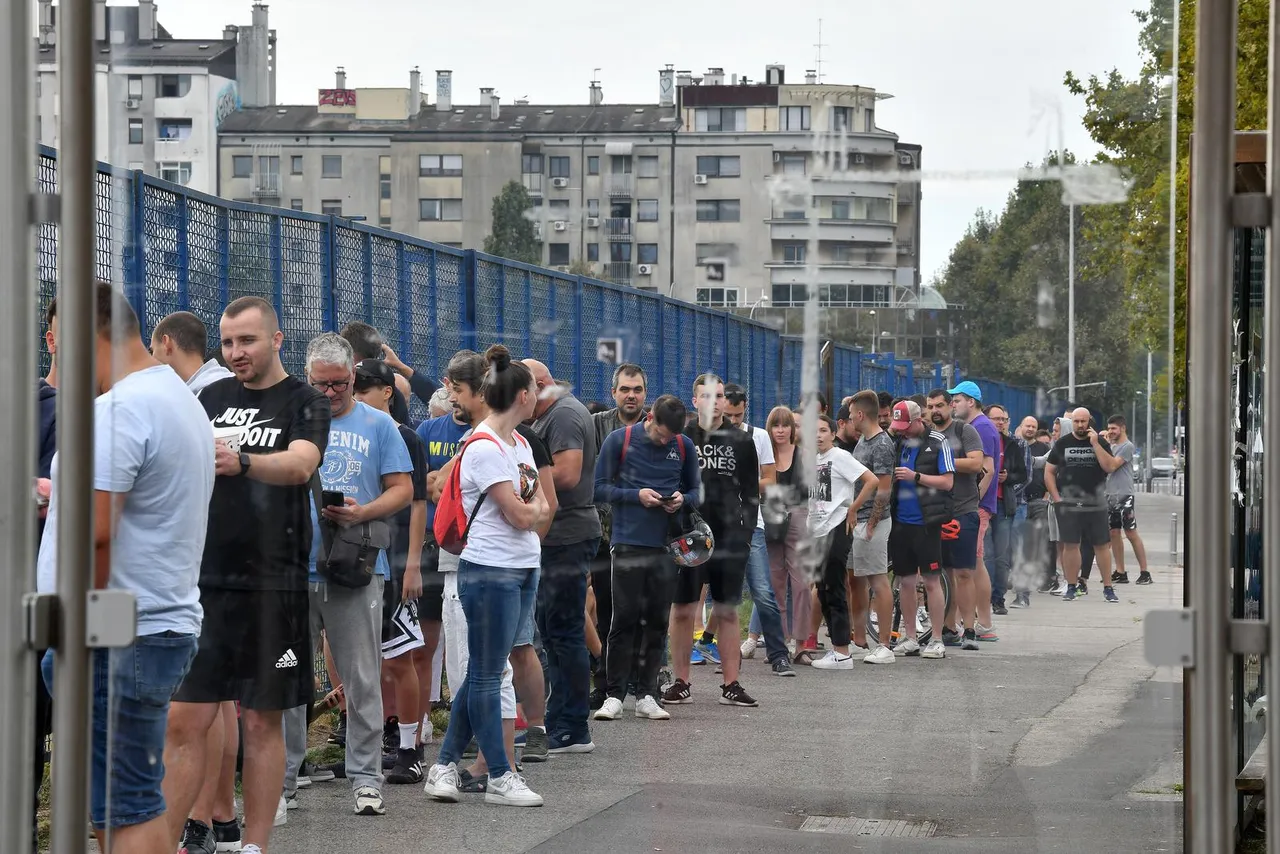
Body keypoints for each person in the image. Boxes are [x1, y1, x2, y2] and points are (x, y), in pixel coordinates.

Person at [39, 283, 215, 854]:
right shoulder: (175, 396)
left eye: (60, 348)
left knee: (126, 810)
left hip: (117, 635)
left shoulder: (121, 409)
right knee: (121, 805)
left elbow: (95, 533)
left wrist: (74, 636)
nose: (57, 365)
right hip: (150, 625)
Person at [165, 296, 330, 854]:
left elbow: (302, 463)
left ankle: (254, 845)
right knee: (187, 717)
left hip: (274, 587)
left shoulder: (304, 401)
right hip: (205, 583)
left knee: (262, 721)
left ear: (277, 340)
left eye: (248, 341)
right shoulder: (208, 397)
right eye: (228, 342)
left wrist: (241, 461)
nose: (236, 353)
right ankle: (182, 834)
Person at [424, 346, 551, 807]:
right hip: (490, 569)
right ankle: (499, 773)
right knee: (486, 673)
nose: (539, 397)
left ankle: (443, 765)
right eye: (535, 390)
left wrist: (530, 510)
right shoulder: (483, 446)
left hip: (521, 567)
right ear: (521, 395)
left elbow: (540, 510)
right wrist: (529, 510)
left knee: (485, 670)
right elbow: (523, 514)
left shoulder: (519, 444)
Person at [592, 395, 702, 721]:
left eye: (671, 437)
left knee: (656, 620)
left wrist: (682, 498)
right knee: (622, 618)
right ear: (650, 417)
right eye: (661, 434)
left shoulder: (683, 446)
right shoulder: (619, 440)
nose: (665, 440)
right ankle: (614, 694)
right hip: (627, 542)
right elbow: (598, 488)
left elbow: (697, 491)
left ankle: (648, 693)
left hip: (667, 546)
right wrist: (636, 496)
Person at [351, 358, 432, 784]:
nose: (358, 394)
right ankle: (381, 736)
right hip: (353, 560)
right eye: (355, 387)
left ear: (387, 391)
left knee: (400, 658)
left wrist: (413, 563)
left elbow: (418, 503)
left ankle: (411, 747)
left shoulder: (405, 437)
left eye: (366, 387)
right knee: (368, 661)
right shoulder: (342, 432)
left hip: (394, 558)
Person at [664, 376, 762, 707]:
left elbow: (751, 493)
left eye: (720, 396)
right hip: (688, 537)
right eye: (708, 396)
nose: (716, 401)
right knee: (682, 610)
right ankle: (680, 681)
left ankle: (731, 684)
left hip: (729, 537)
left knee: (727, 610)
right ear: (695, 401)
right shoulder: (681, 439)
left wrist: (746, 535)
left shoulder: (741, 441)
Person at [524, 359, 601, 755]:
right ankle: (559, 721)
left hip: (567, 535)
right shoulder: (555, 412)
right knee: (554, 633)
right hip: (556, 537)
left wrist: (520, 482)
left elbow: (567, 475)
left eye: (524, 392)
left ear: (539, 386)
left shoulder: (565, 414)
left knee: (565, 631)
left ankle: (572, 728)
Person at [589, 363, 649, 708]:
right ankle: (607, 683)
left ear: (645, 393)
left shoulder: (655, 428)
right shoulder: (596, 425)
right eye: (625, 389)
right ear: (613, 393)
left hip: (643, 535)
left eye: (637, 389)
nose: (631, 395)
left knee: (643, 611)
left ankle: (645, 682)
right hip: (601, 533)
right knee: (607, 613)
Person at [723, 383, 794, 677]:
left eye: (738, 415)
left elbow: (770, 478)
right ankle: (717, 652)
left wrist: (739, 484)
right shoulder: (707, 437)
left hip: (751, 524)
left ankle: (778, 654)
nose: (734, 420)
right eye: (729, 415)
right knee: (719, 596)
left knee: (763, 591)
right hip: (718, 524)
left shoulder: (759, 437)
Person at [807, 416, 879, 670]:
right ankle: (837, 648)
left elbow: (872, 480)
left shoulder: (839, 456)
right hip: (815, 529)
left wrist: (854, 509)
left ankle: (842, 652)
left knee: (835, 586)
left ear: (832, 433)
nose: (818, 435)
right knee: (823, 589)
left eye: (823, 430)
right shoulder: (811, 460)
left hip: (837, 526)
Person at [886, 400, 956, 660]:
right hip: (901, 522)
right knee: (904, 580)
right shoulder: (899, 442)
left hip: (927, 523)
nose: (902, 431)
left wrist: (916, 476)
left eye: (906, 426)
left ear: (919, 420)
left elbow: (948, 482)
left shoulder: (938, 441)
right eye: (898, 427)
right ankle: (910, 637)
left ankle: (937, 638)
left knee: (931, 581)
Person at [1045, 408, 1123, 603]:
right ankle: (1071, 586)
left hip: (1096, 503)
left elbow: (1110, 467)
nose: (1080, 425)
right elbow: (1049, 472)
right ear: (1072, 422)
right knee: (1071, 546)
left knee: (1102, 546)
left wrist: (1095, 443)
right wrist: (1057, 499)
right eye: (1077, 421)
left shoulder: (1100, 442)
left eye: (1083, 421)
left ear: (1090, 422)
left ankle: (1108, 588)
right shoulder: (1063, 443)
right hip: (1069, 503)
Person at [844, 391, 898, 665]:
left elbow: (883, 488)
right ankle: (860, 640)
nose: (849, 417)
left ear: (861, 415)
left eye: (852, 413)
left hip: (872, 522)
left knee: (878, 579)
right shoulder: (863, 441)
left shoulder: (882, 444)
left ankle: (885, 645)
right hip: (858, 521)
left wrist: (871, 525)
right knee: (856, 580)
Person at [947, 381, 1001, 642]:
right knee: (972, 564)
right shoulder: (978, 426)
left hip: (975, 507)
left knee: (972, 565)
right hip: (975, 506)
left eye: (956, 400)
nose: (952, 405)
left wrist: (973, 500)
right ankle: (975, 622)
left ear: (971, 401)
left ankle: (984, 623)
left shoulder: (980, 427)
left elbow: (988, 470)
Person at [761, 406, 810, 660]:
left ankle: (801, 644)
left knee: (801, 582)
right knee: (775, 582)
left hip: (798, 515)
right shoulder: (763, 455)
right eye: (775, 425)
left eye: (785, 425)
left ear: (792, 429)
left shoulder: (803, 455)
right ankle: (778, 645)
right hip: (770, 516)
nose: (780, 430)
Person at [1103, 415, 1152, 585]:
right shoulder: (1110, 445)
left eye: (1113, 429)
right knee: (1113, 533)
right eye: (1109, 429)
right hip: (1109, 494)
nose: (1110, 432)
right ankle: (1120, 571)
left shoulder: (1127, 446)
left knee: (1130, 532)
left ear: (1122, 428)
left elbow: (1112, 465)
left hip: (1124, 494)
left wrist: (1102, 445)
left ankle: (1145, 572)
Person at [150, 311, 234, 394]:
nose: (152, 359)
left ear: (166, 343)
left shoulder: (195, 399)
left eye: (152, 351)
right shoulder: (236, 384)